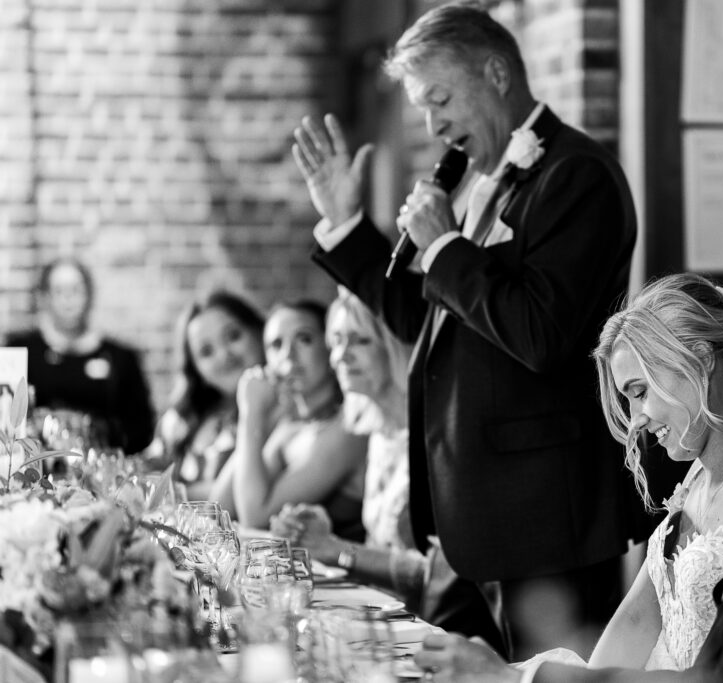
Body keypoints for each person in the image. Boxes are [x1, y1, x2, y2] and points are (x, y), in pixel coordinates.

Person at [292, 2, 646, 657]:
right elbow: (417, 321)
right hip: (466, 523)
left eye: (441, 98)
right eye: (422, 107)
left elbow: (543, 333)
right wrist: (345, 219)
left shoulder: (577, 175)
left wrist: (449, 247)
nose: (432, 124)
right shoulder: (474, 185)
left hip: (544, 521)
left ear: (496, 73)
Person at [413, 275, 723, 682]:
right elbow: (633, 627)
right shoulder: (694, 479)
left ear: (699, 358)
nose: (636, 419)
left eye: (640, 391)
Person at [271, 287, 507, 653]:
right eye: (335, 341)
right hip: (379, 623)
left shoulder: (436, 437)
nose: (340, 357)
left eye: (360, 341)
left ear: (395, 348)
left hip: (436, 635)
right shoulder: (375, 430)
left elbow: (440, 574)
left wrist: (336, 550)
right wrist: (324, 533)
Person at [210, 300, 368, 534]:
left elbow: (256, 517)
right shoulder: (291, 425)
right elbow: (219, 506)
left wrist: (251, 414)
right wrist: (259, 415)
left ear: (329, 346)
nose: (288, 355)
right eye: (276, 345)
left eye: (303, 339)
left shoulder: (350, 426)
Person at [5, 257, 155, 454]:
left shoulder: (120, 358)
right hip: (35, 471)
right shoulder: (22, 351)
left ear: (90, 294)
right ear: (45, 297)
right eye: (59, 291)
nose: (68, 298)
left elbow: (142, 429)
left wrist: (95, 433)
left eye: (75, 290)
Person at [155, 290, 265, 500]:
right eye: (206, 351)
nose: (224, 355)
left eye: (233, 336)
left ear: (259, 332)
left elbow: (236, 496)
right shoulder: (181, 418)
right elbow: (142, 474)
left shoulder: (283, 408)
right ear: (196, 370)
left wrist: (165, 494)